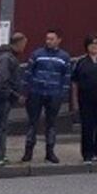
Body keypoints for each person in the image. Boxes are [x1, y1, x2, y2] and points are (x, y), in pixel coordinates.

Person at [22, 30, 71, 163]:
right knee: (32, 122)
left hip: (54, 94)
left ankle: (50, 152)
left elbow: (66, 77)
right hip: (36, 93)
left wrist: (63, 94)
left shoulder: (64, 57)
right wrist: (25, 91)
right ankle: (28, 151)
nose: (48, 41)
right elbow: (28, 73)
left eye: (51, 39)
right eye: (47, 38)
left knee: (51, 123)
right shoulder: (37, 54)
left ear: (59, 40)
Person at [0, 32, 27, 166]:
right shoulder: (6, 58)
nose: (24, 47)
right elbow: (2, 80)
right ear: (19, 43)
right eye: (24, 44)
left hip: (2, 96)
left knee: (0, 126)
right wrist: (15, 95)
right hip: (2, 98)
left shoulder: (5, 56)